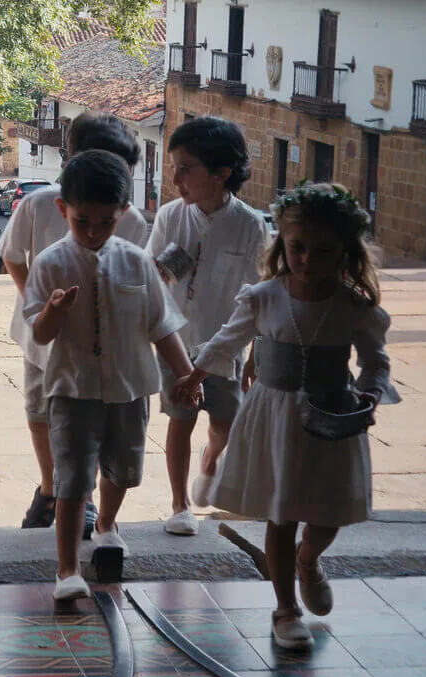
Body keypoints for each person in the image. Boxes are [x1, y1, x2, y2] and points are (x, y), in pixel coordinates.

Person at [173, 182, 399, 649]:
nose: (308, 259)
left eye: (322, 250)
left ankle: (308, 560)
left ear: (344, 251)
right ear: (282, 244)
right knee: (281, 513)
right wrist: (194, 374)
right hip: (274, 418)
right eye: (297, 248)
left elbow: (376, 362)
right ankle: (284, 607)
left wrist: (371, 395)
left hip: (331, 416)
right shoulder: (263, 296)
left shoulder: (352, 305)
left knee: (327, 514)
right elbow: (227, 340)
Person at [24, 151, 198, 600]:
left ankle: (106, 525)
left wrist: (185, 374)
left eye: (106, 222)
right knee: (72, 480)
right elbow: (39, 335)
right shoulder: (50, 264)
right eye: (83, 221)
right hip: (71, 390)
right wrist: (54, 310)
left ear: (123, 213)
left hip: (129, 389)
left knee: (122, 472)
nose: (94, 232)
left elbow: (163, 324)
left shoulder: (138, 262)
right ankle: (66, 570)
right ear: (63, 209)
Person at [0, 111, 148, 538]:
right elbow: (12, 255)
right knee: (40, 410)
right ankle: (52, 487)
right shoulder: (40, 204)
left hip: (97, 343)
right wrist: (36, 301)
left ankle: (79, 496)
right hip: (42, 337)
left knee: (92, 415)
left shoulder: (129, 220)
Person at [147, 116, 268, 536]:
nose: (175, 178)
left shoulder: (251, 226)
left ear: (221, 173)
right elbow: (153, 277)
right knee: (180, 417)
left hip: (226, 344)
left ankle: (212, 460)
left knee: (225, 422)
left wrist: (255, 354)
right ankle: (180, 504)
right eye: (174, 166)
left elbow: (259, 295)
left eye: (185, 168)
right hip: (178, 340)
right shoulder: (170, 217)